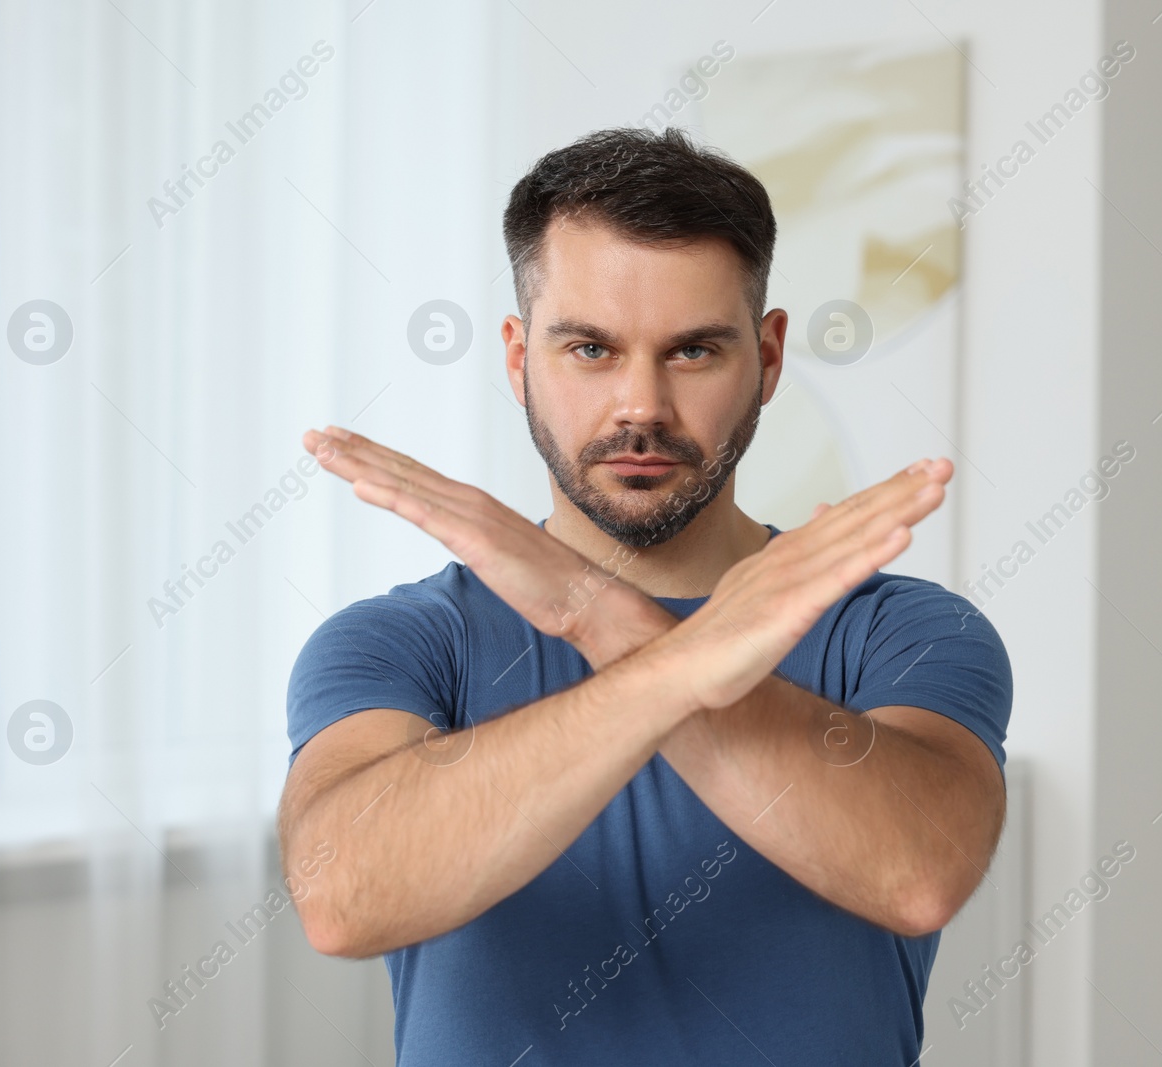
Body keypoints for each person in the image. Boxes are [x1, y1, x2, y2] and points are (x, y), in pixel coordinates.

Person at [278, 126, 1011, 1066]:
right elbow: (341, 897)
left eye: (694, 351)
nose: (641, 407)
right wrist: (681, 660)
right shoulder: (405, 641)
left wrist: (598, 616)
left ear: (769, 356)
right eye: (590, 347)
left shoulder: (899, 630)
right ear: (518, 358)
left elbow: (918, 872)